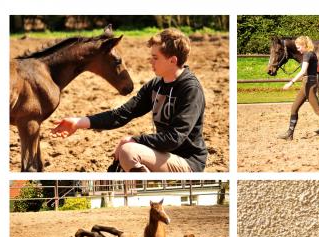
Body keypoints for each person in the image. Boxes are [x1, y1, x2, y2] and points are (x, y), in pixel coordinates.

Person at [51, 28, 207, 172]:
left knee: (129, 151)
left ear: (172, 61)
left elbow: (174, 138)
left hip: (188, 162)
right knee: (126, 152)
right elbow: (122, 114)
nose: (150, 61)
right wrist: (78, 122)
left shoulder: (190, 89)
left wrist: (134, 139)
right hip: (165, 154)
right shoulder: (156, 85)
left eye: (155, 57)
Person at [278, 35, 319, 141]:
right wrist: (312, 69)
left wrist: (291, 82)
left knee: (318, 110)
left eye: (299, 47)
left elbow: (303, 71)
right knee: (294, 108)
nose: (298, 49)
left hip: (308, 84)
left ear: (304, 45)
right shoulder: (313, 54)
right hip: (309, 83)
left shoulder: (306, 55)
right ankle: (289, 133)